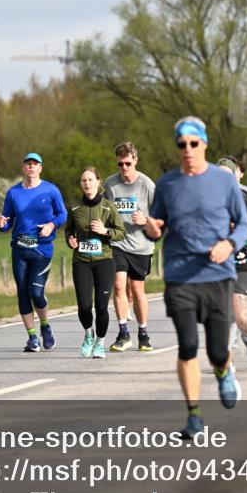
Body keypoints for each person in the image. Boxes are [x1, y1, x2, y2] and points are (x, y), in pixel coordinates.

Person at [143, 117, 247, 439]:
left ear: (203, 143)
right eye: (181, 144)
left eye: (193, 143)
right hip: (180, 275)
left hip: (217, 275)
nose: (187, 149)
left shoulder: (224, 181)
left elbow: (243, 225)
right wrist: (152, 230)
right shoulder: (167, 184)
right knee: (187, 345)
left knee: (217, 351)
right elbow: (156, 228)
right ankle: (194, 416)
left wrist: (228, 244)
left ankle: (224, 369)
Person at [0, 153, 67, 352]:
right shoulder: (13, 192)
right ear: (23, 168)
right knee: (22, 293)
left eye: (35, 164)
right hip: (19, 249)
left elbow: (62, 214)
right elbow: (8, 219)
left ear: (40, 169)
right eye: (28, 164)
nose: (31, 167)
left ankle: (45, 325)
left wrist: (51, 225)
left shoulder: (51, 190)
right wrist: (3, 224)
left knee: (36, 292)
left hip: (42, 249)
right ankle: (32, 338)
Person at [66, 166, 125, 359]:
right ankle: (88, 334)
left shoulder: (108, 206)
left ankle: (100, 342)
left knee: (101, 306)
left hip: (104, 261)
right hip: (81, 262)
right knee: (84, 306)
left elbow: (121, 233)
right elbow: (69, 232)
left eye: (91, 180)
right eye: (84, 180)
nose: (87, 183)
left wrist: (104, 231)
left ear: (98, 182)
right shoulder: (75, 208)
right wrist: (70, 241)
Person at [104, 142, 156, 351]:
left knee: (136, 290)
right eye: (120, 164)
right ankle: (123, 332)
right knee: (118, 285)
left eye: (127, 163)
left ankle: (143, 333)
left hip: (141, 246)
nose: (124, 168)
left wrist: (145, 219)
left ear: (135, 160)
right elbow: (105, 211)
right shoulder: (110, 184)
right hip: (118, 243)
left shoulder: (147, 185)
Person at [217, 156, 247, 365]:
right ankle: (227, 362)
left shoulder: (243, 197)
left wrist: (241, 230)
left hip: (242, 261)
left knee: (241, 317)